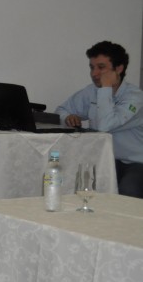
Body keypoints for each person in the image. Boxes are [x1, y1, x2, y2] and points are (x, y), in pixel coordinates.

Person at [56, 41, 143, 198]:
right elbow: (61, 110)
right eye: (92, 67)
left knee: (128, 191)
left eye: (101, 67)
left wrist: (105, 89)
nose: (94, 73)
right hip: (104, 159)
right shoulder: (91, 91)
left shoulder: (135, 97)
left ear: (119, 69)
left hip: (136, 163)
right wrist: (68, 117)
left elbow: (105, 126)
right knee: (73, 182)